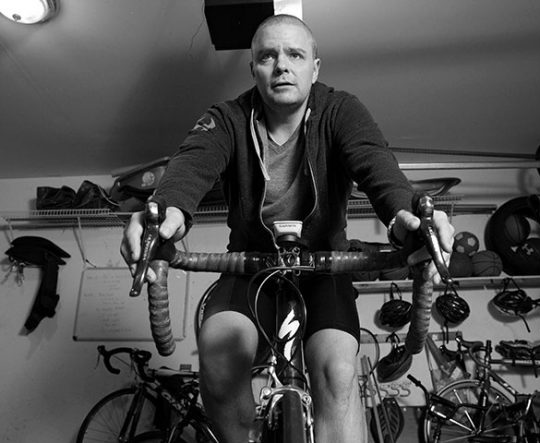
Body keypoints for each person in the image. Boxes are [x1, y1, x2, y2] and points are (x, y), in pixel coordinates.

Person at [121, 14, 454, 443]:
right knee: (220, 358)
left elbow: (377, 166)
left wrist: (409, 218)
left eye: (296, 54)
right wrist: (163, 215)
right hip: (248, 266)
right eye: (268, 56)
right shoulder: (227, 118)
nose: (282, 65)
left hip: (325, 269)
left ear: (315, 67)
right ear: (254, 69)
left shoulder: (340, 110)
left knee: (337, 373)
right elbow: (191, 165)